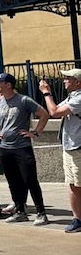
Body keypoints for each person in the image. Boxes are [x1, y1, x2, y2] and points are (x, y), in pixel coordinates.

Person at [0, 72, 50, 225]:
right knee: (13, 181)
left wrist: (35, 133)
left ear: (8, 85)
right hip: (5, 148)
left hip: (22, 147)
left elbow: (44, 114)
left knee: (30, 180)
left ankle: (41, 213)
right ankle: (20, 211)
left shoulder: (24, 100)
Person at [39, 68, 81, 233]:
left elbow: (55, 112)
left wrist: (46, 93)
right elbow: (54, 109)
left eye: (68, 78)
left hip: (78, 148)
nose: (64, 81)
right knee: (72, 185)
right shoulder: (73, 96)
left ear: (77, 82)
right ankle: (77, 219)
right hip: (70, 147)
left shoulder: (80, 98)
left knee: (79, 184)